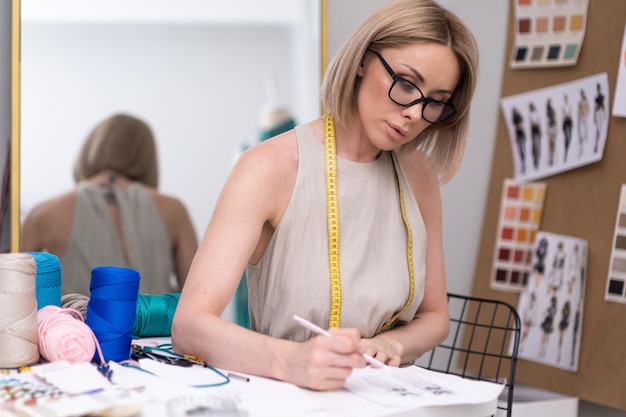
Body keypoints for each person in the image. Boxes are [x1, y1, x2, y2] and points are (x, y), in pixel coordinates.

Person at [172, 0, 479, 391]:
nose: (416, 114)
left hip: (387, 400)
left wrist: (392, 343)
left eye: (435, 101)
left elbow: (436, 315)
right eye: (406, 84)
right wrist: (293, 361)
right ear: (361, 61)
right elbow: (190, 326)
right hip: (286, 399)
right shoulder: (269, 167)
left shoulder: (418, 175)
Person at [20, 113, 198, 296]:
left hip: (76, 324)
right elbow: (199, 298)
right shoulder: (174, 211)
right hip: (159, 324)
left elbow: (9, 295)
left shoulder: (44, 214)